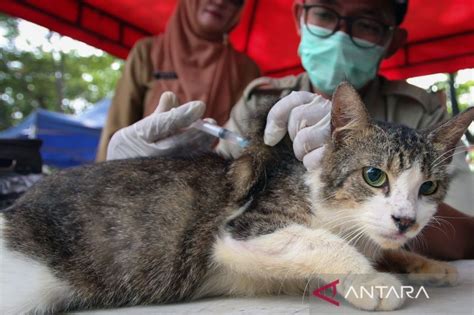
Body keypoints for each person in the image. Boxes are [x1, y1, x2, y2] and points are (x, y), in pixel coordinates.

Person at [106, 0, 474, 260]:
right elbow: (215, 201)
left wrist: (364, 210)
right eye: (325, 13)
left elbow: (466, 237)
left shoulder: (423, 115)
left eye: (366, 23)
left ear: (392, 40)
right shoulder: (260, 100)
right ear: (300, 17)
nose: (340, 35)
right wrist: (138, 173)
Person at [96, 0, 260, 161]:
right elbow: (118, 125)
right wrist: (110, 172)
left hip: (212, 183)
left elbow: (251, 142)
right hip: (142, 179)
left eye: (235, 1)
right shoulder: (148, 52)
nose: (220, 2)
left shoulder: (247, 69)